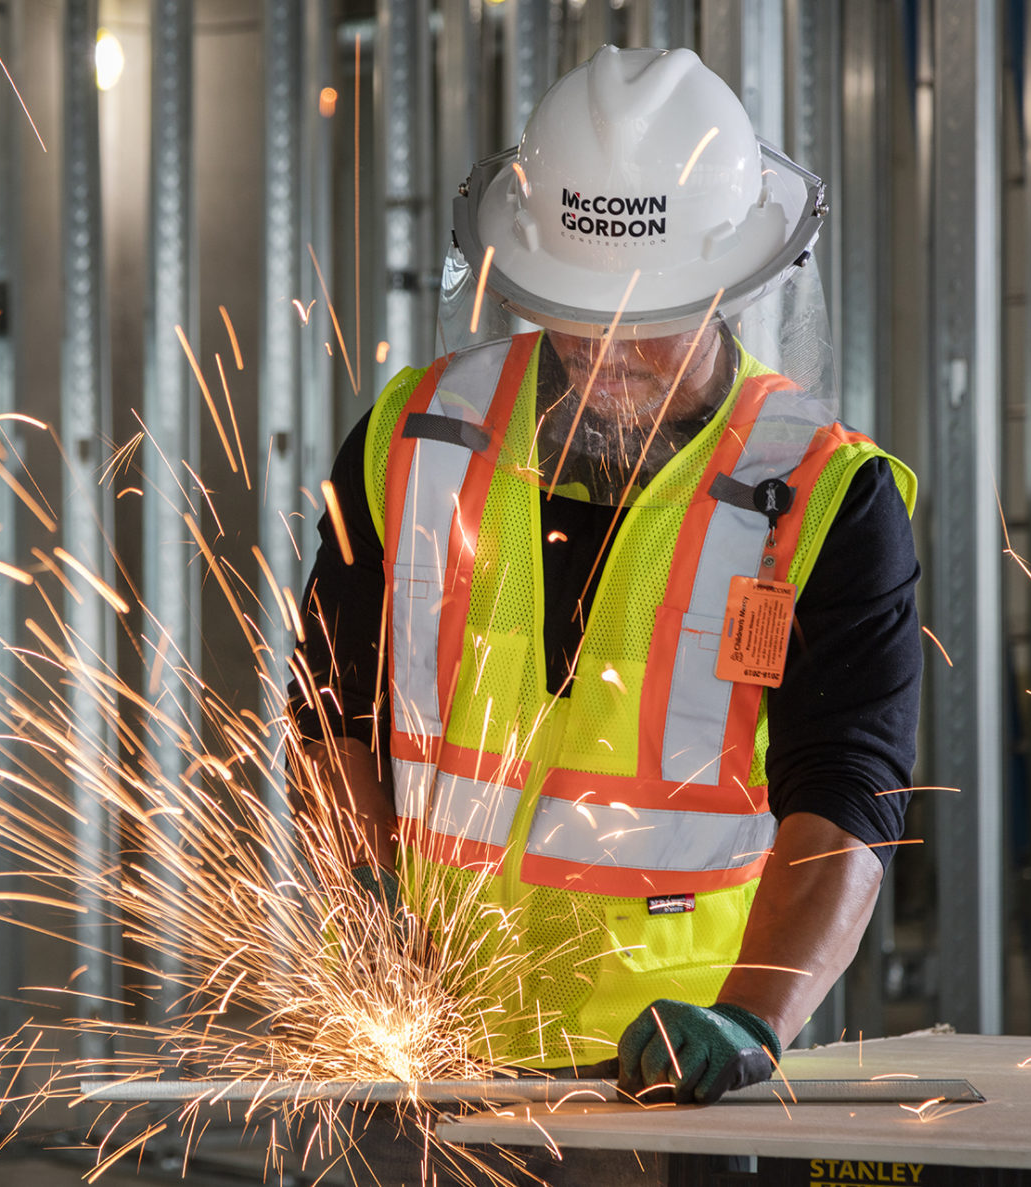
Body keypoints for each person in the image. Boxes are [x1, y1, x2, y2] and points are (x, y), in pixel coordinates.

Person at [293, 45, 920, 1184]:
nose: (611, 353)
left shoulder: (826, 494)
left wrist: (751, 1021)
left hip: (686, 1066)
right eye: (582, 313)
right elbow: (329, 705)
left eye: (655, 315)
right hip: (433, 1050)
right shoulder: (416, 434)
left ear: (730, 286)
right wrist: (367, 906)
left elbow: (849, 793)